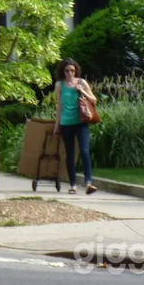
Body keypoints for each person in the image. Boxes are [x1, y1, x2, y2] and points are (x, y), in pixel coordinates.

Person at [51, 57, 99, 194]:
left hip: (81, 122)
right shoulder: (60, 85)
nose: (70, 73)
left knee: (84, 151)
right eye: (67, 71)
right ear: (63, 71)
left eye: (72, 70)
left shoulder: (82, 82)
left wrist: (82, 90)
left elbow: (94, 100)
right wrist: (56, 125)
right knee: (70, 154)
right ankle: (73, 185)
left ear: (76, 71)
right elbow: (59, 106)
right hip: (66, 123)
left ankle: (88, 183)